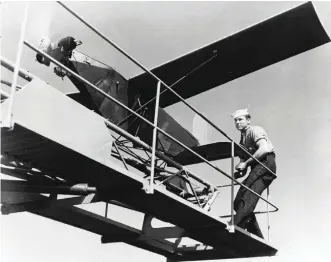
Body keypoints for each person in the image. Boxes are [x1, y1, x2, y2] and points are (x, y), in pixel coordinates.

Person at [231, 109, 276, 239]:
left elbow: (264, 148)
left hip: (266, 164)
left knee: (247, 198)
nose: (237, 122)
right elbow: (244, 164)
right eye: (235, 120)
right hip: (256, 167)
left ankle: (235, 226)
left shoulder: (254, 130)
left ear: (248, 120)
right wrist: (240, 171)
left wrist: (246, 164)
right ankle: (256, 234)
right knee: (237, 202)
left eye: (240, 119)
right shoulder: (242, 141)